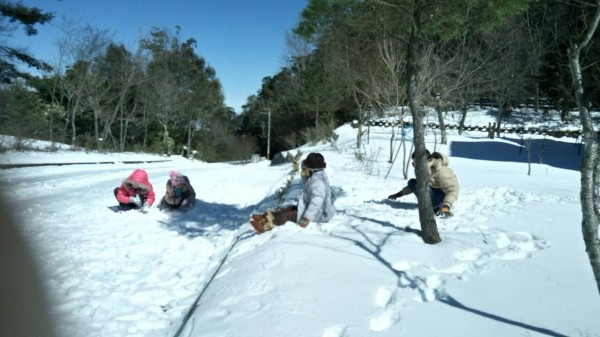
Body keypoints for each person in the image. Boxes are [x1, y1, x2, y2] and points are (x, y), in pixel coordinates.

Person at [250, 152, 336, 233]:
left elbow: (315, 203)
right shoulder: (316, 177)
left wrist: (306, 219)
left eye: (305, 169)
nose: (304, 170)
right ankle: (268, 217)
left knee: (288, 216)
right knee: (289, 209)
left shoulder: (318, 182)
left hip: (318, 215)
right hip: (314, 210)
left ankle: (268, 226)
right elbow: (306, 184)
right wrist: (304, 174)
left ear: (311, 170)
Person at [388, 150, 459, 217]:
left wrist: (446, 206)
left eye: (419, 163)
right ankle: (428, 204)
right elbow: (415, 186)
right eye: (414, 164)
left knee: (424, 188)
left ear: (430, 160)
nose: (416, 166)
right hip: (430, 191)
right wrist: (399, 194)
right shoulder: (420, 170)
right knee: (412, 182)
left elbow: (453, 190)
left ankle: (438, 206)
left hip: (442, 197)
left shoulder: (442, 171)